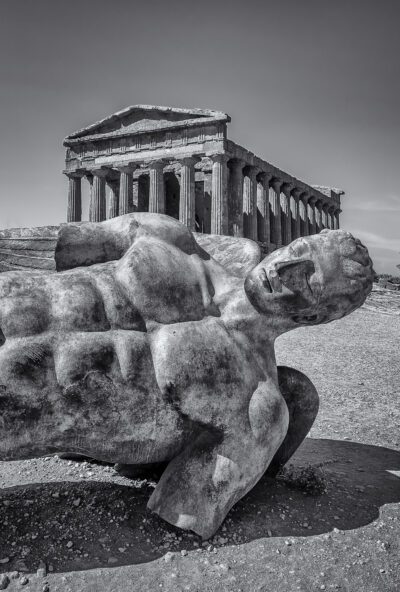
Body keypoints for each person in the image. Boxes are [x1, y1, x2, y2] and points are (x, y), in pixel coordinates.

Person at [0, 213, 373, 538]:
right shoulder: (172, 237)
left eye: (309, 280)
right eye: (298, 249)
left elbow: (184, 507)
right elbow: (51, 244)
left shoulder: (257, 408)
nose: (284, 269)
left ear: (315, 317)